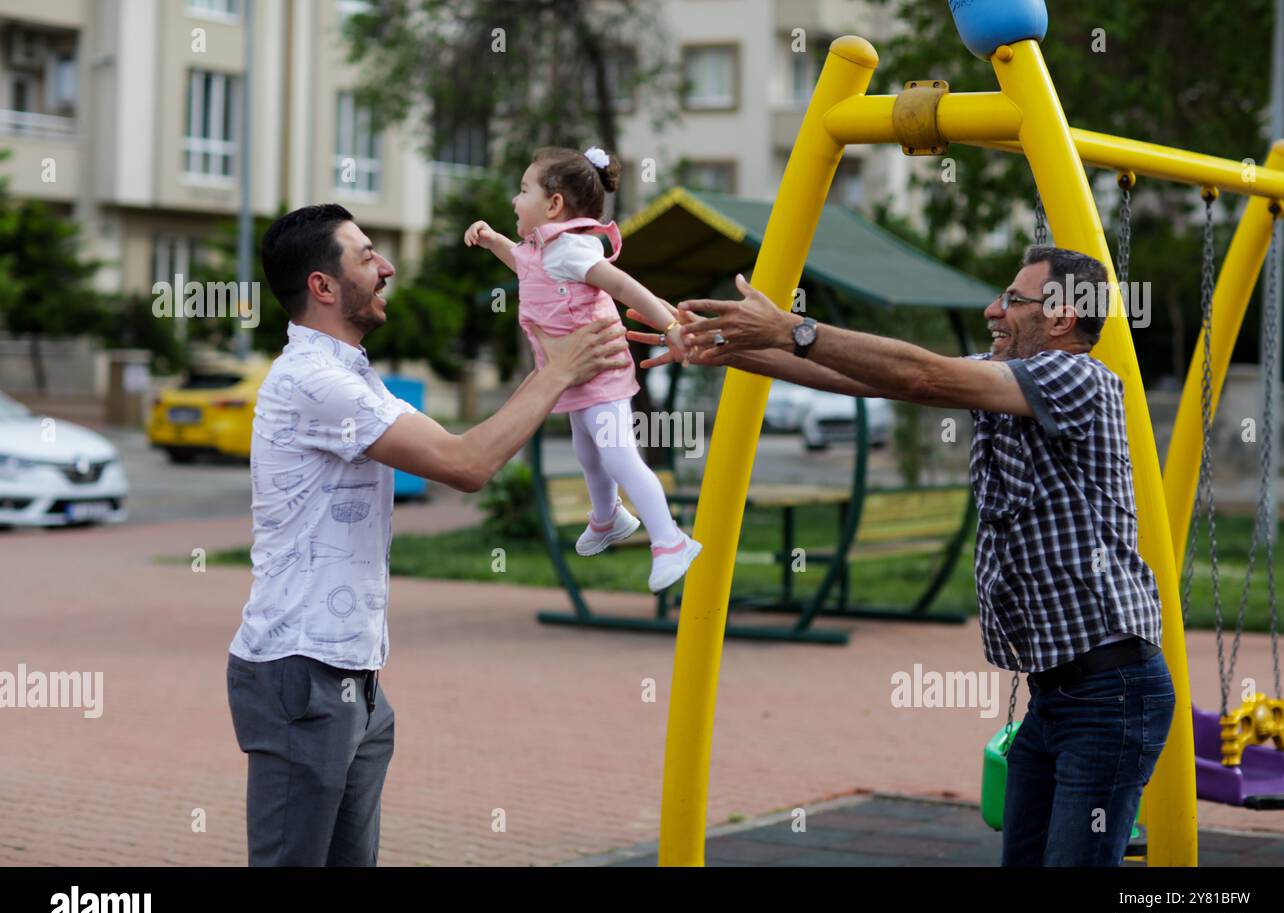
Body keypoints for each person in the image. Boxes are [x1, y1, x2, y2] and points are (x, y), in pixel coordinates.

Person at [629, 245, 1175, 867]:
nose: (994, 310)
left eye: (1014, 300)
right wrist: (723, 348)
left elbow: (922, 374)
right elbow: (863, 376)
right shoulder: (1004, 376)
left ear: (1061, 317)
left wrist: (794, 328)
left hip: (1111, 690)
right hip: (1058, 696)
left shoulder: (1079, 378)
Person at [227, 203, 628, 866]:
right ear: (322, 287)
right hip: (299, 673)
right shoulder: (313, 382)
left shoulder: (350, 374)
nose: (385, 268)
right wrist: (558, 371)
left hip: (352, 678)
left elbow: (454, 446)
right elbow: (465, 463)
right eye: (365, 257)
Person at [464, 146, 702, 593]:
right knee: (587, 452)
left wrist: (669, 325)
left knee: (617, 455)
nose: (515, 200)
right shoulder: (544, 251)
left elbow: (624, 285)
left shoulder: (571, 250)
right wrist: (497, 241)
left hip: (601, 370)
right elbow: (525, 266)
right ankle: (609, 516)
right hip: (576, 373)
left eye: (523, 190)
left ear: (553, 205)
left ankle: (671, 540)